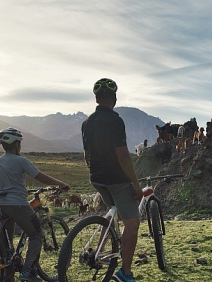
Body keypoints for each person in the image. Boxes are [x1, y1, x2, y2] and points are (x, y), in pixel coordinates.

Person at [81, 78, 143, 282]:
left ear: (96, 98)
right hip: (117, 179)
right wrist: (135, 183)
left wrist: (97, 173)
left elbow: (86, 156)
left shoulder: (87, 122)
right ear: (114, 99)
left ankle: (100, 250)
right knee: (132, 223)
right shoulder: (116, 120)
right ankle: (125, 273)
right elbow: (123, 155)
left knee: (111, 212)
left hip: (97, 179)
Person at [0, 127, 70, 282]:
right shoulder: (21, 161)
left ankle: (7, 277)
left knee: (5, 243)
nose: (20, 146)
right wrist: (60, 183)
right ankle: (27, 272)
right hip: (18, 205)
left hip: (0, 205)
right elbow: (40, 176)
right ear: (15, 144)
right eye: (19, 143)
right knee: (36, 234)